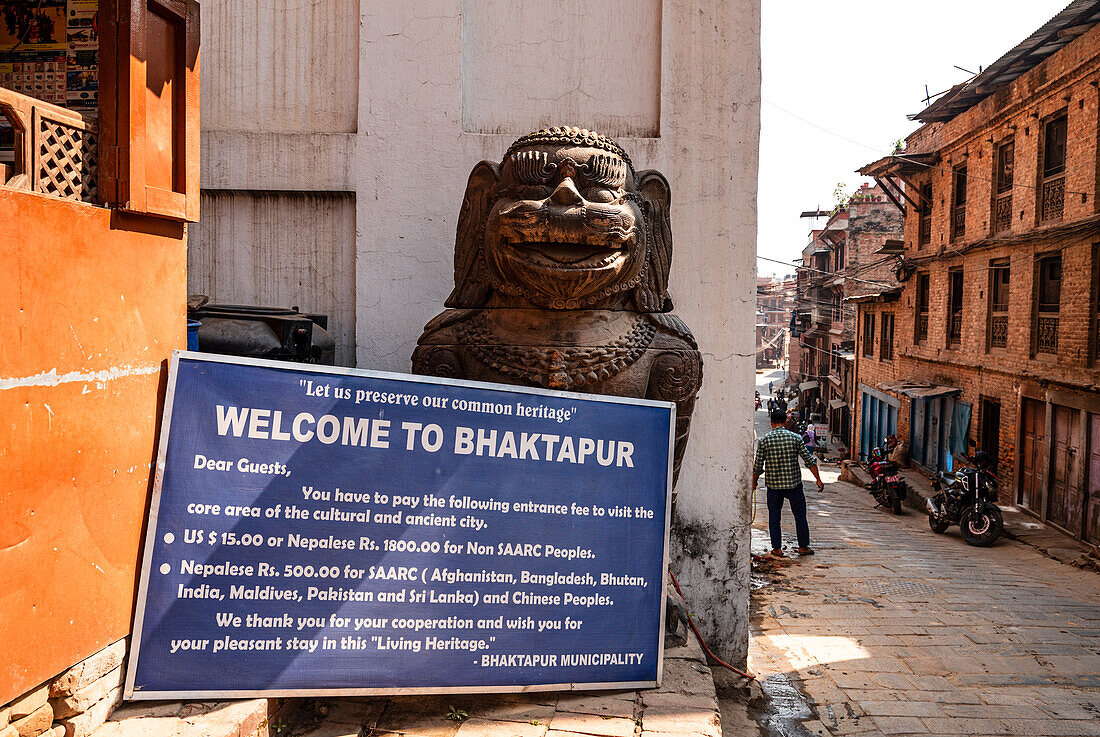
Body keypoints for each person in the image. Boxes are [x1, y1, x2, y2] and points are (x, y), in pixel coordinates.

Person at [753, 408, 825, 558]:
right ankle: (803, 547)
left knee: (774, 516)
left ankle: (777, 549)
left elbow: (757, 466)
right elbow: (809, 460)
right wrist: (818, 479)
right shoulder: (795, 438)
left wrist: (753, 483)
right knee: (800, 515)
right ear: (785, 422)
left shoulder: (764, 440)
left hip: (773, 487)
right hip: (794, 486)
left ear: (771, 423)